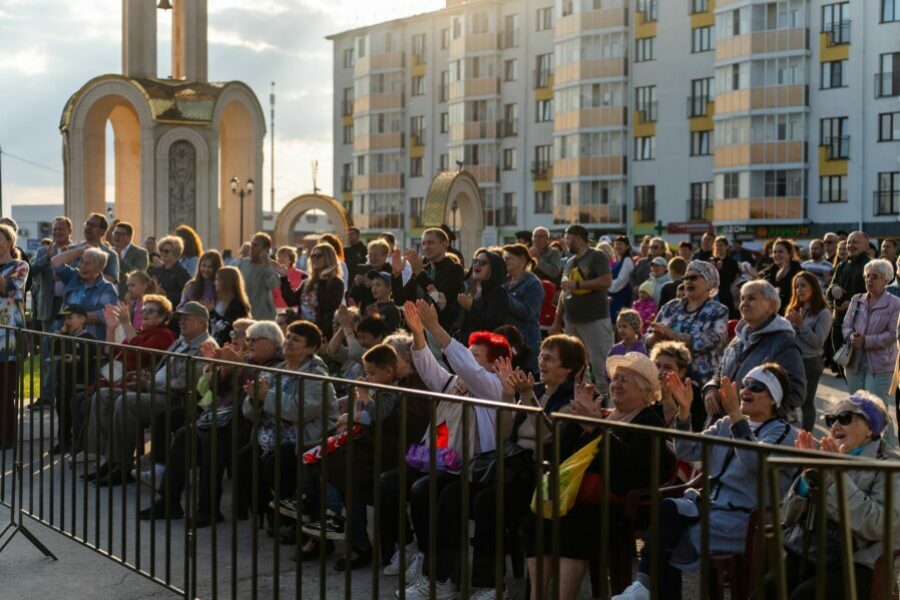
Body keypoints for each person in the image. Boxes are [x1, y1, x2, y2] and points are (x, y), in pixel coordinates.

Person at [615, 363, 798, 600]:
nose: (746, 390)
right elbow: (686, 450)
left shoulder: (785, 433)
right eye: (745, 385)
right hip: (709, 508)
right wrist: (684, 412)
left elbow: (755, 461)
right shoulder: (725, 424)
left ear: (774, 398)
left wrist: (735, 416)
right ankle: (644, 586)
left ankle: (644, 588)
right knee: (666, 512)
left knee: (667, 542)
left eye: (756, 386)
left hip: (744, 520)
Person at [389, 300, 510, 597]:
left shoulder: (495, 387)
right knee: (413, 488)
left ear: (493, 364)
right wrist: (419, 333)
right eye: (467, 354)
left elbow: (469, 370)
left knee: (438, 494)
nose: (467, 360)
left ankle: (440, 577)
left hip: (478, 469)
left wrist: (436, 329)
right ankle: (430, 566)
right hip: (449, 462)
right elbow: (429, 367)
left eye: (475, 356)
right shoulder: (454, 383)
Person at [531, 353, 673, 600]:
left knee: (574, 521)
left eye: (624, 380)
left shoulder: (650, 421)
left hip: (619, 505)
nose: (616, 384)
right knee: (539, 515)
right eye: (615, 378)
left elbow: (630, 471)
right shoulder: (602, 413)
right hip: (577, 496)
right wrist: (574, 421)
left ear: (644, 390)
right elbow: (554, 453)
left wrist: (596, 429)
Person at [773, 392, 900, 600]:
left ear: (870, 428)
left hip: (859, 562)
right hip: (814, 551)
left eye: (845, 418)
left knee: (803, 596)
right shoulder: (826, 457)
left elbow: (878, 524)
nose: (835, 425)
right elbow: (786, 517)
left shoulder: (889, 467)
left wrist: (834, 479)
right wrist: (808, 478)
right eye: (832, 419)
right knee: (768, 589)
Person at [86, 301, 216, 486]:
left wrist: (148, 384)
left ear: (203, 323)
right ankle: (111, 460)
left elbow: (187, 384)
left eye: (187, 318)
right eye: (180, 318)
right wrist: (144, 377)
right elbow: (159, 368)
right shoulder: (181, 341)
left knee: (127, 401)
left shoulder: (205, 347)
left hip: (175, 399)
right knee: (105, 395)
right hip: (156, 389)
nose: (182, 322)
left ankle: (123, 465)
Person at [704, 280, 807, 417]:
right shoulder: (739, 337)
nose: (744, 304)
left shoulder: (783, 342)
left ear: (772, 305)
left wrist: (761, 416)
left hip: (754, 431)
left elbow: (796, 391)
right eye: (742, 298)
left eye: (751, 298)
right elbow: (720, 373)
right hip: (725, 422)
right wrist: (711, 388)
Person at [645, 260, 729, 398]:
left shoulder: (718, 310)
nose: (688, 282)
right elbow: (646, 339)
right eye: (685, 278)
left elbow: (713, 340)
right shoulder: (670, 307)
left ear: (709, 282)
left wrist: (673, 335)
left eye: (693, 278)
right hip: (664, 382)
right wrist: (655, 337)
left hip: (698, 384)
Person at [550, 225, 613, 391]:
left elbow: (606, 281)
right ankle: (582, 404)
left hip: (594, 320)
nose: (565, 241)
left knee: (601, 368)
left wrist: (577, 283)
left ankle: (606, 410)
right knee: (578, 370)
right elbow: (565, 293)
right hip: (572, 322)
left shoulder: (597, 256)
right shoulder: (570, 262)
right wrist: (557, 321)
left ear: (578, 238)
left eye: (568, 238)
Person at [29, 216, 75, 410]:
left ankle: (64, 391)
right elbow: (32, 269)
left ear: (69, 231)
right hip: (48, 306)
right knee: (48, 351)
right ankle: (47, 395)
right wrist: (47, 257)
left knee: (67, 351)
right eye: (55, 229)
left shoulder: (76, 250)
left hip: (68, 307)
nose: (57, 232)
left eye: (61, 229)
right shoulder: (42, 250)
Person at [842, 259, 900, 410]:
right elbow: (846, 325)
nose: (869, 280)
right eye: (867, 276)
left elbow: (893, 334)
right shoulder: (857, 299)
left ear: (886, 279)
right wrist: (851, 337)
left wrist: (866, 341)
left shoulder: (895, 303)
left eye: (874, 276)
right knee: (857, 409)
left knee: (877, 411)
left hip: (881, 366)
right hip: (854, 363)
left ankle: (887, 435)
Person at [390, 228, 465, 332]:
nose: (426, 247)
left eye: (430, 243)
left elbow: (441, 299)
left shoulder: (454, 269)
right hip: (417, 333)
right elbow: (400, 300)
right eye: (423, 244)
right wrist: (396, 275)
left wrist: (419, 272)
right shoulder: (423, 270)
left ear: (444, 244)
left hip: (440, 334)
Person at [785, 272, 833, 431]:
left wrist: (800, 325)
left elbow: (818, 342)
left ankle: (807, 438)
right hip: (792, 360)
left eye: (803, 285)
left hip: (810, 362)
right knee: (786, 397)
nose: (799, 289)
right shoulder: (796, 309)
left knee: (806, 402)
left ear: (813, 287)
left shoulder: (824, 313)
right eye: (796, 286)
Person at [50, 246, 119, 341]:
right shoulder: (73, 277)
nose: (82, 266)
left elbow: (102, 315)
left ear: (100, 268)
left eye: (87, 264)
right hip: (65, 338)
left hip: (91, 343)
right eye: (81, 261)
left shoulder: (107, 288)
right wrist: (80, 250)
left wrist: (68, 317)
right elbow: (55, 262)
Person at [0, 224, 29, 449]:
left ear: (9, 242)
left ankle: (6, 436)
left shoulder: (20, 266)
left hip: (8, 337)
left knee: (6, 388)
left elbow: (9, 289)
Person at [279, 243, 345, 340]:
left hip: (321, 333)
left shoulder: (336, 283)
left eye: (318, 256)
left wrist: (323, 280)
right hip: (303, 331)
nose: (314, 259)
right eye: (312, 256)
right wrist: (284, 278)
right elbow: (291, 300)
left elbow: (326, 307)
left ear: (328, 258)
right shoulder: (308, 282)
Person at [827, 231, 870, 369]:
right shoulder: (842, 265)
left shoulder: (871, 266)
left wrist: (851, 304)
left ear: (866, 245)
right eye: (848, 242)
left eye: (855, 242)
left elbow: (876, 294)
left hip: (860, 327)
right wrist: (833, 289)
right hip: (839, 323)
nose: (850, 245)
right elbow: (829, 290)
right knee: (842, 367)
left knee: (857, 370)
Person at [502, 243, 544, 373]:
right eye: (505, 258)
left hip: (526, 341)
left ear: (521, 260)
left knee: (528, 375)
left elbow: (528, 312)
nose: (505, 261)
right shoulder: (505, 281)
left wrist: (506, 299)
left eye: (509, 258)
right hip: (507, 339)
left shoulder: (533, 283)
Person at [458, 247, 509, 344]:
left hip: (484, 349)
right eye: (475, 261)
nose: (477, 264)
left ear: (493, 269)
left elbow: (492, 324)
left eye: (482, 262)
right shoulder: (469, 290)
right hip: (466, 346)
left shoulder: (498, 293)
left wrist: (470, 307)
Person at [238, 232, 280, 320]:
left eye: (256, 245)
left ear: (266, 249)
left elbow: (273, 284)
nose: (252, 248)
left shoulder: (270, 265)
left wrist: (266, 266)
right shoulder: (243, 263)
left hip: (262, 316)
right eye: (252, 244)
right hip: (244, 314)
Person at [760, 238, 805, 316]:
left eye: (780, 252)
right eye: (774, 252)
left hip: (793, 313)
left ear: (790, 254)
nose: (777, 255)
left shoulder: (800, 272)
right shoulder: (767, 273)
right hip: (772, 315)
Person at [209, 266, 252, 347]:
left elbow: (229, 327)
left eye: (217, 279)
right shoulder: (216, 301)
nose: (215, 282)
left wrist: (212, 313)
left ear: (226, 281)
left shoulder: (237, 305)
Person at [148, 235, 191, 309]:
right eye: (161, 250)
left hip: (173, 311)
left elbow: (185, 296)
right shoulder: (155, 272)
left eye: (166, 251)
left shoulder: (182, 273)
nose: (162, 253)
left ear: (175, 253)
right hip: (155, 311)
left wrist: (164, 293)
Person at [111, 221, 149, 299]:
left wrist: (120, 260)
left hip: (127, 297)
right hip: (109, 296)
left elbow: (139, 274)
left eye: (121, 234)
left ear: (129, 236)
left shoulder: (140, 253)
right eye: (115, 233)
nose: (117, 236)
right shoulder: (108, 251)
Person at [608, 236, 634, 324]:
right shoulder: (616, 262)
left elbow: (621, 280)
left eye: (621, 244)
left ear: (627, 246)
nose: (618, 246)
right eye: (616, 244)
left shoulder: (627, 260)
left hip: (622, 298)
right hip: (614, 299)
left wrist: (605, 284)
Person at [712, 236, 740, 318]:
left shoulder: (732, 262)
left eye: (721, 245)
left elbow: (730, 279)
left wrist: (720, 270)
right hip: (713, 294)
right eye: (716, 245)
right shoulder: (711, 261)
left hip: (726, 294)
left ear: (726, 247)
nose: (718, 247)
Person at [272, 246, 305, 310]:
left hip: (294, 310)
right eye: (279, 256)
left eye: (284, 256)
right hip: (276, 310)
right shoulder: (271, 274)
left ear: (291, 260)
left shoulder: (301, 275)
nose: (280, 258)